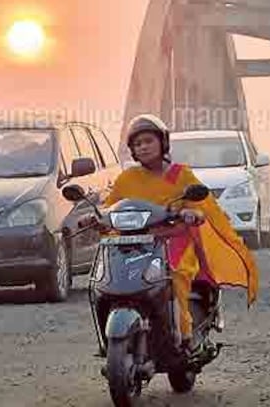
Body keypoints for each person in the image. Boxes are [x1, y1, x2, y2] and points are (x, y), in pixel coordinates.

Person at [102, 114, 259, 352]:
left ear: (162, 142)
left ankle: (182, 337)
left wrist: (191, 213)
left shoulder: (181, 174)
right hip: (133, 243)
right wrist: (95, 216)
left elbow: (200, 205)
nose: (143, 147)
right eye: (137, 144)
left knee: (173, 279)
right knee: (107, 282)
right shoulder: (127, 178)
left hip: (173, 241)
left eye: (148, 141)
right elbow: (110, 206)